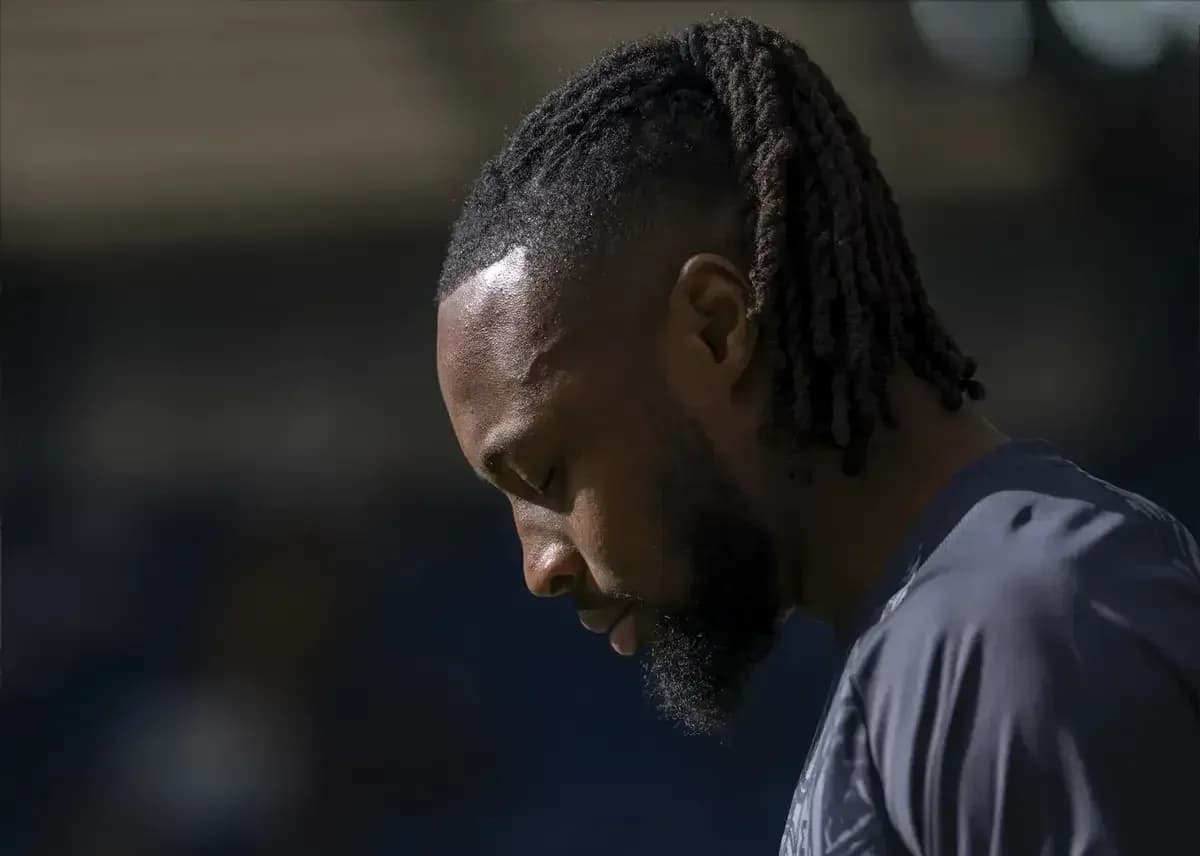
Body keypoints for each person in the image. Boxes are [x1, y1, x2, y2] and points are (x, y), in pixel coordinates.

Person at [434, 16, 1200, 856]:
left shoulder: (1019, 632)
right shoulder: (943, 641)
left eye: (546, 472)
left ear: (715, 330)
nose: (540, 567)